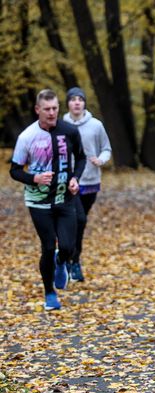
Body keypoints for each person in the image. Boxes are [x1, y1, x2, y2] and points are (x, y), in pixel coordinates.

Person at [9, 89, 86, 310]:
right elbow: (14, 171)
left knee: (68, 247)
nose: (52, 113)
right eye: (47, 109)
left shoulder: (69, 131)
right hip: (38, 202)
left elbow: (81, 158)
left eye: (55, 108)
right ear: (37, 110)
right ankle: (49, 294)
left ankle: (62, 262)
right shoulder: (27, 137)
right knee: (47, 247)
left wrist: (75, 178)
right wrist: (34, 178)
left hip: (65, 198)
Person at [63, 87, 112, 282]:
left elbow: (106, 149)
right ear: (67, 103)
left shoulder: (96, 125)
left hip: (91, 181)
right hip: (68, 181)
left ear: (84, 103)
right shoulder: (60, 124)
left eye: (80, 99)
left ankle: (72, 259)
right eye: (73, 99)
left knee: (79, 223)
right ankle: (71, 261)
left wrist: (101, 160)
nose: (77, 103)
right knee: (78, 219)